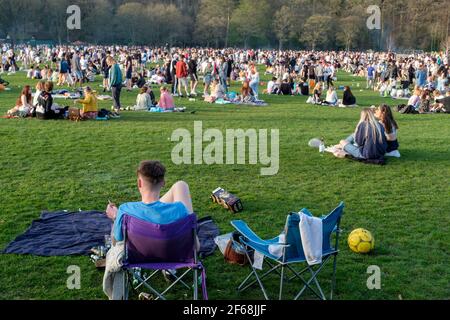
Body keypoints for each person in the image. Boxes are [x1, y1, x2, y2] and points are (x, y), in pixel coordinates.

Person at [105, 161, 194, 245]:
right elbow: (195, 245)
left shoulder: (125, 210)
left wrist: (116, 217)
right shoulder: (180, 209)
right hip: (176, 258)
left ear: (139, 183)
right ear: (163, 183)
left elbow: (115, 240)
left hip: (139, 259)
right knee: (181, 185)